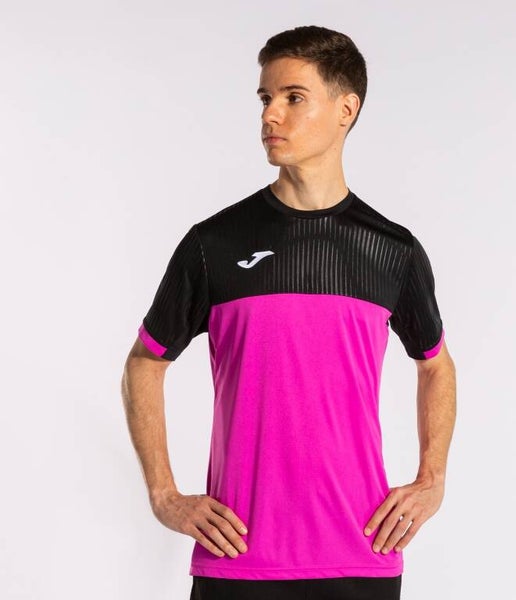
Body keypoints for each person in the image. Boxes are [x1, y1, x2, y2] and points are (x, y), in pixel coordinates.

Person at [121, 25, 456, 600]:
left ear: (346, 109)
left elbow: (436, 364)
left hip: (361, 555)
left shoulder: (391, 251)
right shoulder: (214, 244)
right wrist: (164, 495)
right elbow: (144, 363)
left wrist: (432, 479)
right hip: (238, 558)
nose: (270, 115)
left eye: (293, 97)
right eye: (265, 98)